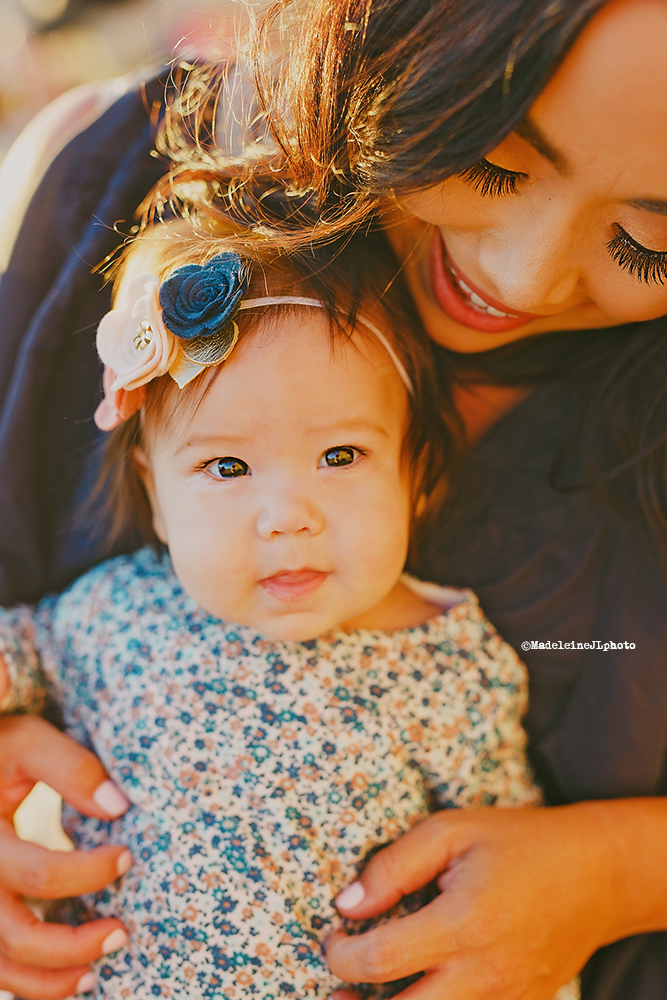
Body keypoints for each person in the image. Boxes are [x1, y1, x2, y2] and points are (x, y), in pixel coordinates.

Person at [1, 0, 667, 998]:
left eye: (648, 245)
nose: (518, 277)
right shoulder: (112, 173)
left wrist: (619, 870)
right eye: (491, 160)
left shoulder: (450, 669)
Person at [0, 205, 579, 1000]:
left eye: (340, 455)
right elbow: (19, 649)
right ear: (157, 500)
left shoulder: (444, 662)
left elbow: (497, 883)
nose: (288, 516)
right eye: (228, 468)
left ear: (412, 476)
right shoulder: (113, 613)